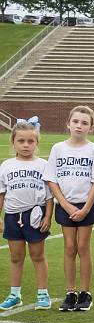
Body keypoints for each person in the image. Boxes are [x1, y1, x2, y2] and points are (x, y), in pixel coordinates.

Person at [43, 105, 94, 312]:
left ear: (92, 128)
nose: (79, 126)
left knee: (83, 247)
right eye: (76, 122)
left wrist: (86, 208)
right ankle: (70, 292)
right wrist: (66, 204)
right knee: (69, 248)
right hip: (65, 205)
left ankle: (85, 293)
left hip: (86, 205)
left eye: (84, 123)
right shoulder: (58, 148)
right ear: (68, 124)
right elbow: (52, 180)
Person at [0, 121, 53, 311]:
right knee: (15, 257)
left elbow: (48, 196)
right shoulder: (6, 165)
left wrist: (47, 217)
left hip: (35, 215)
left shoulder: (43, 165)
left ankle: (42, 293)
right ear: (13, 142)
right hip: (12, 216)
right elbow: (2, 194)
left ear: (36, 143)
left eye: (31, 141)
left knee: (38, 255)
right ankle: (15, 295)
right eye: (21, 141)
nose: (26, 145)